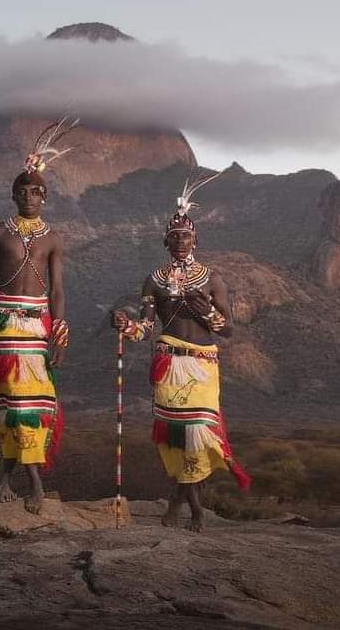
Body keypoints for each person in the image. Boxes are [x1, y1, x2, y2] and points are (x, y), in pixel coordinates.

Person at [111, 175, 250, 532]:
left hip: (203, 365)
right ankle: (189, 506)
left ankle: (186, 505)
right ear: (164, 241)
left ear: (196, 239)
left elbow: (228, 329)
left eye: (185, 235)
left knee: (199, 433)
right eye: (173, 236)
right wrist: (126, 326)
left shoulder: (211, 279)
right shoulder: (154, 280)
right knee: (178, 437)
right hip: (169, 363)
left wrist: (206, 311)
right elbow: (146, 328)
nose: (180, 241)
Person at [0, 120, 74, 515]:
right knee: (11, 405)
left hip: (38, 325)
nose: (29, 197)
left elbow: (57, 291)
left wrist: (58, 334)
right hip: (6, 326)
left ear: (45, 196)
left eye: (36, 192)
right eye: (23, 191)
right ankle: (33, 483)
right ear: (13, 195)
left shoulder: (54, 238)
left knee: (35, 405)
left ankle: (12, 478)